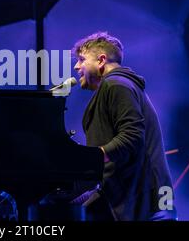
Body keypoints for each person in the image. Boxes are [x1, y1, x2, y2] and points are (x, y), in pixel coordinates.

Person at [71, 32, 177, 221]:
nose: (76, 66)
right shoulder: (117, 85)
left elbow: (131, 137)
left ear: (101, 60)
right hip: (144, 200)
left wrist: (89, 159)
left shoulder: (116, 84)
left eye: (81, 59)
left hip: (148, 205)